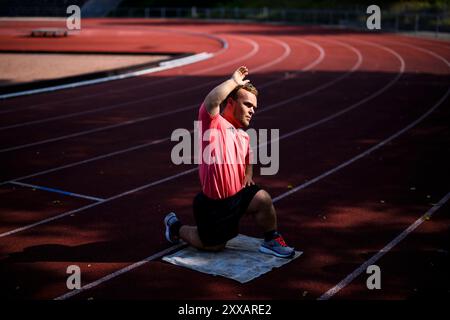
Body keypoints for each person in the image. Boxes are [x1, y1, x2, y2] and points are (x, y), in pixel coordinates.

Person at [164, 66, 294, 258]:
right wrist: (234, 81)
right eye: (248, 105)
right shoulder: (213, 124)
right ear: (231, 102)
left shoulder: (243, 135)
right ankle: (175, 226)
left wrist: (249, 174)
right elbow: (211, 101)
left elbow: (248, 157)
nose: (252, 111)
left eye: (254, 108)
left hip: (237, 198)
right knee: (213, 247)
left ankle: (271, 239)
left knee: (263, 199)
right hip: (214, 204)